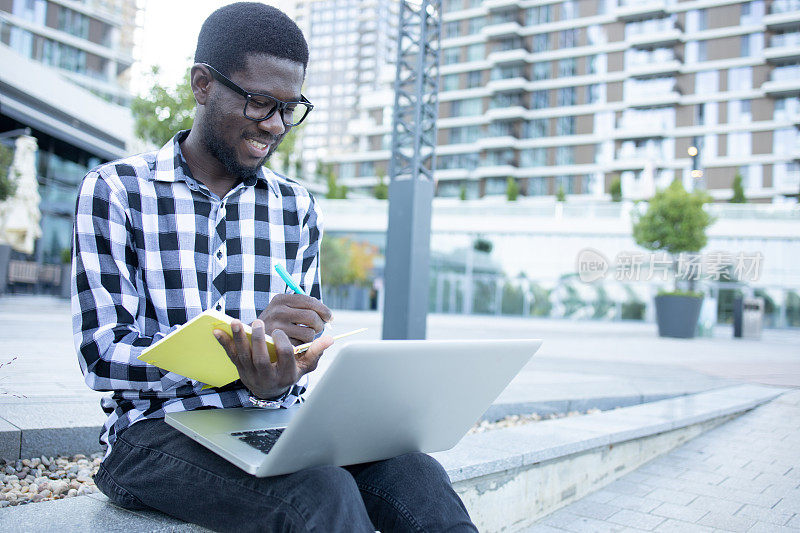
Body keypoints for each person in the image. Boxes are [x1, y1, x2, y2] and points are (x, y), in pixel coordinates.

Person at [71, 3, 477, 532]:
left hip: (273, 421)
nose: (276, 126)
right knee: (319, 493)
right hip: (152, 434)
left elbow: (293, 368)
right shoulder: (116, 191)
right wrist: (234, 357)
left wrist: (292, 366)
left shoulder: (296, 207)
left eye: (290, 108)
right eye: (262, 103)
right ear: (202, 84)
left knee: (417, 474)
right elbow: (100, 356)